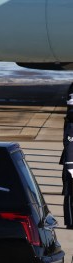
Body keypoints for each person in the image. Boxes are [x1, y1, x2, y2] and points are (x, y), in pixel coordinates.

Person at [61, 95, 73, 229]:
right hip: (71, 165)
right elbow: (69, 147)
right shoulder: (71, 128)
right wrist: (70, 167)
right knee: (70, 194)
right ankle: (70, 221)